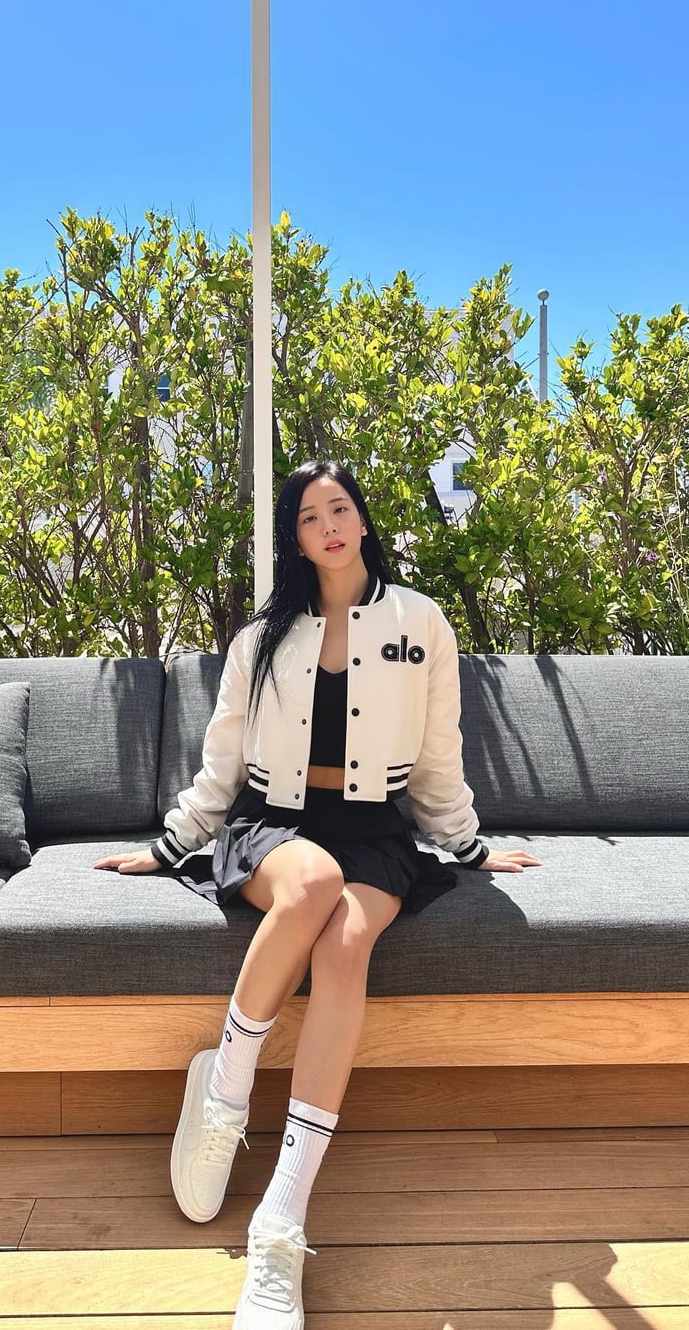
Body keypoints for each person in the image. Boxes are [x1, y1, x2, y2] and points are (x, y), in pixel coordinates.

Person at [94, 459, 542, 1330]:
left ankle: (281, 1218)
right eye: (309, 515)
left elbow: (438, 753)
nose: (328, 525)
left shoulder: (422, 622)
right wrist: (172, 844)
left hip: (375, 827)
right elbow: (223, 760)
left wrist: (469, 845)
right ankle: (224, 1090)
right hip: (275, 819)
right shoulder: (262, 637)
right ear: (294, 537)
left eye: (340, 508)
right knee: (314, 882)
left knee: (345, 941)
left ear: (364, 521)